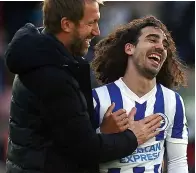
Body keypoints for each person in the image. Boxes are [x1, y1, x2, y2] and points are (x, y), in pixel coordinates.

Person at [4, 0, 162, 172]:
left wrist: (101, 130)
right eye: (91, 23)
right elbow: (85, 149)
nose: (97, 31)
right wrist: (133, 137)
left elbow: (64, 135)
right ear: (66, 24)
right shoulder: (50, 75)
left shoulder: (45, 57)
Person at [91, 15, 189, 173]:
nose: (161, 47)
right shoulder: (97, 99)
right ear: (130, 48)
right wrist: (103, 133)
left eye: (164, 45)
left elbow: (177, 162)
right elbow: (80, 155)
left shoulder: (172, 101)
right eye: (152, 39)